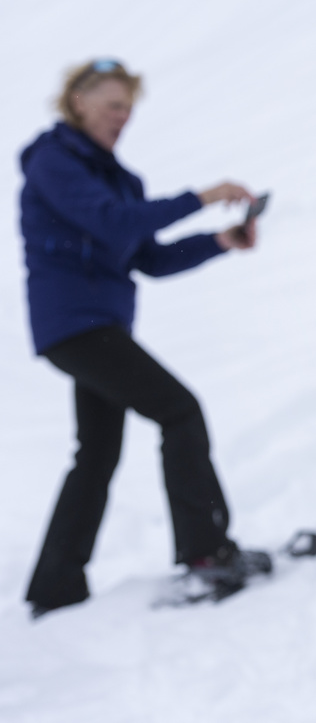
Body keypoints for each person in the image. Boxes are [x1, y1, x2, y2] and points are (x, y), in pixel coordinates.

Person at [20, 58, 269, 618]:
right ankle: (207, 554)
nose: (122, 117)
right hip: (75, 325)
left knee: (97, 452)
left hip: (96, 327)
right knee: (179, 411)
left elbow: (148, 257)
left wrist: (220, 241)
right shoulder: (54, 161)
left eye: (128, 108)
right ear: (79, 101)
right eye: (112, 105)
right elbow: (114, 222)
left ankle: (56, 588)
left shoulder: (116, 179)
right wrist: (202, 197)